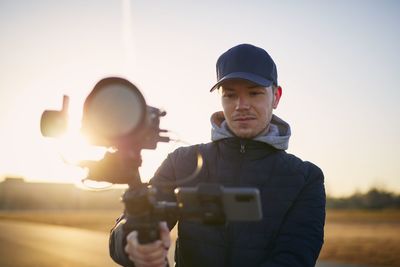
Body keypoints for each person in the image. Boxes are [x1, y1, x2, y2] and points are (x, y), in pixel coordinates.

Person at [109, 43, 326, 267]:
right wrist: (131, 241)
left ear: (276, 96)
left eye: (254, 93)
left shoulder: (306, 178)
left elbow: (295, 257)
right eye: (230, 95)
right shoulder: (181, 162)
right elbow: (133, 221)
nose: (241, 105)